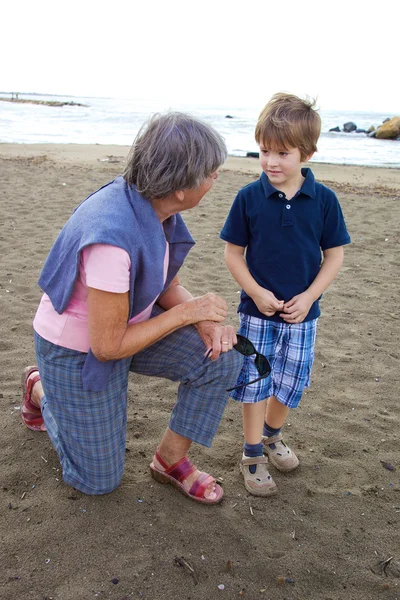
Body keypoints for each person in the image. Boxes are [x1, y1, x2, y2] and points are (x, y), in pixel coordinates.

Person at [21, 112, 243, 504]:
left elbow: (165, 284)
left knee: (222, 357)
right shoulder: (113, 237)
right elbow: (107, 347)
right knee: (97, 480)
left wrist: (202, 320)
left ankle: (170, 461)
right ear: (180, 186)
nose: (215, 179)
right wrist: (188, 315)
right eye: (211, 172)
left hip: (130, 325)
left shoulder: (154, 207)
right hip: (80, 348)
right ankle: (41, 389)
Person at [220, 93, 351, 496]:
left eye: (282, 153)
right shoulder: (248, 197)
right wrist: (256, 292)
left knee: (291, 382)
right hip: (257, 313)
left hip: (302, 315)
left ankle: (273, 434)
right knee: (255, 380)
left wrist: (310, 296)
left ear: (306, 152)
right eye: (264, 151)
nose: (271, 162)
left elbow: (334, 256)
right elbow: (232, 254)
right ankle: (253, 451)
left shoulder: (324, 200)